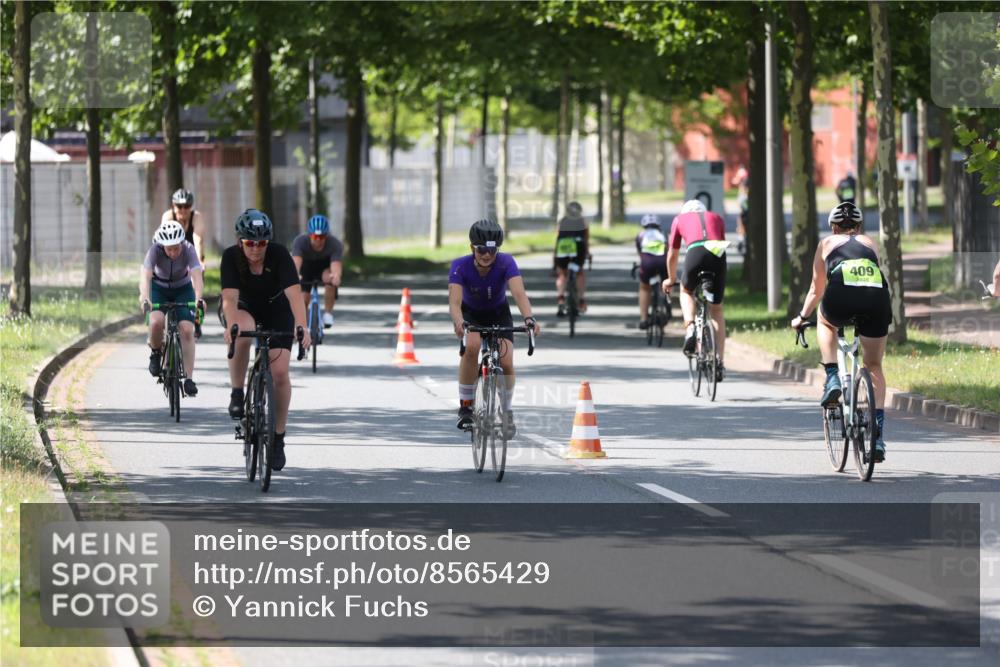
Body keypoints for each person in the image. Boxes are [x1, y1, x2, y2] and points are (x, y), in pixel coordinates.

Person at [791, 201, 892, 462]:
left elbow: (816, 290)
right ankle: (877, 436)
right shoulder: (870, 244)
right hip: (876, 299)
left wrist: (802, 317)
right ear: (859, 226)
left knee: (825, 322)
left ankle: (833, 375)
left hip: (841, 298)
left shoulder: (826, 244)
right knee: (873, 365)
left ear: (834, 227)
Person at [221, 209, 310, 472]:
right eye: (250, 243)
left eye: (261, 243)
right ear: (241, 242)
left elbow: (295, 295)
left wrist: (302, 326)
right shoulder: (230, 257)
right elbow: (229, 299)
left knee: (280, 373)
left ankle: (278, 439)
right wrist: (231, 325)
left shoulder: (280, 255)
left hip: (276, 309)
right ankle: (238, 391)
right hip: (244, 306)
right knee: (242, 333)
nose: (256, 249)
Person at [449, 219, 540, 437]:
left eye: (492, 250)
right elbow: (454, 302)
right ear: (472, 248)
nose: (487, 255)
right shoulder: (460, 265)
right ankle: (466, 406)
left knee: (506, 360)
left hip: (499, 313)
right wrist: (459, 321)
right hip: (470, 314)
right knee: (471, 347)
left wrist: (529, 318)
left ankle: (506, 411)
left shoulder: (506, 262)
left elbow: (519, 293)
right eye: (482, 250)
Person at [662, 199, 729, 381]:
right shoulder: (716, 217)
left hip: (695, 254)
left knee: (686, 291)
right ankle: (719, 362)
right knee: (716, 309)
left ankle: (690, 327)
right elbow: (721, 242)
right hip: (718, 254)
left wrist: (671, 278)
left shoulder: (679, 219)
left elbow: (672, 254)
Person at [140, 220, 205, 396]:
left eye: (176, 248)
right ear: (162, 245)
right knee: (155, 322)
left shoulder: (189, 249)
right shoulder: (155, 250)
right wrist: (145, 297)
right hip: (159, 288)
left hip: (183, 289)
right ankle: (155, 352)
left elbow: (197, 276)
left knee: (186, 330)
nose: (174, 252)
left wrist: (199, 298)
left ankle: (189, 379)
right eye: (169, 248)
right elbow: (145, 276)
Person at [162, 188, 207, 337]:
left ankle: (196, 320)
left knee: (195, 284)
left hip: (191, 257)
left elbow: (198, 239)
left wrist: (199, 261)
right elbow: (164, 243)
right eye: (179, 206)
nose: (183, 210)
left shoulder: (196, 217)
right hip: (172, 258)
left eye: (187, 206)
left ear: (191, 207)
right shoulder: (168, 217)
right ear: (173, 207)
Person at [291, 214, 343, 328]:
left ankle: (328, 314)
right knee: (304, 298)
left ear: (327, 236)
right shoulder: (300, 242)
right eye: (315, 236)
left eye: (322, 237)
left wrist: (336, 276)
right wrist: (294, 276)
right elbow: (296, 263)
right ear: (310, 235)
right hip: (306, 269)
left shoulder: (334, 244)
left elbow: (335, 266)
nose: (318, 240)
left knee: (330, 279)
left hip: (323, 268)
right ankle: (302, 325)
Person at [553, 201, 589, 316]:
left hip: (563, 247)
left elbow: (557, 238)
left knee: (562, 274)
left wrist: (554, 257)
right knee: (579, 273)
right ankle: (582, 300)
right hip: (578, 248)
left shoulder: (562, 221)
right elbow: (586, 239)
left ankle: (561, 299)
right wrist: (587, 253)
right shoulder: (583, 221)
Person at [635, 214, 669, 330]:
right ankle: (666, 302)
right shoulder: (663, 235)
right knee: (667, 282)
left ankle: (643, 319)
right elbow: (668, 251)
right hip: (663, 262)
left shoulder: (640, 235)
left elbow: (641, 254)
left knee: (644, 287)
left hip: (647, 263)